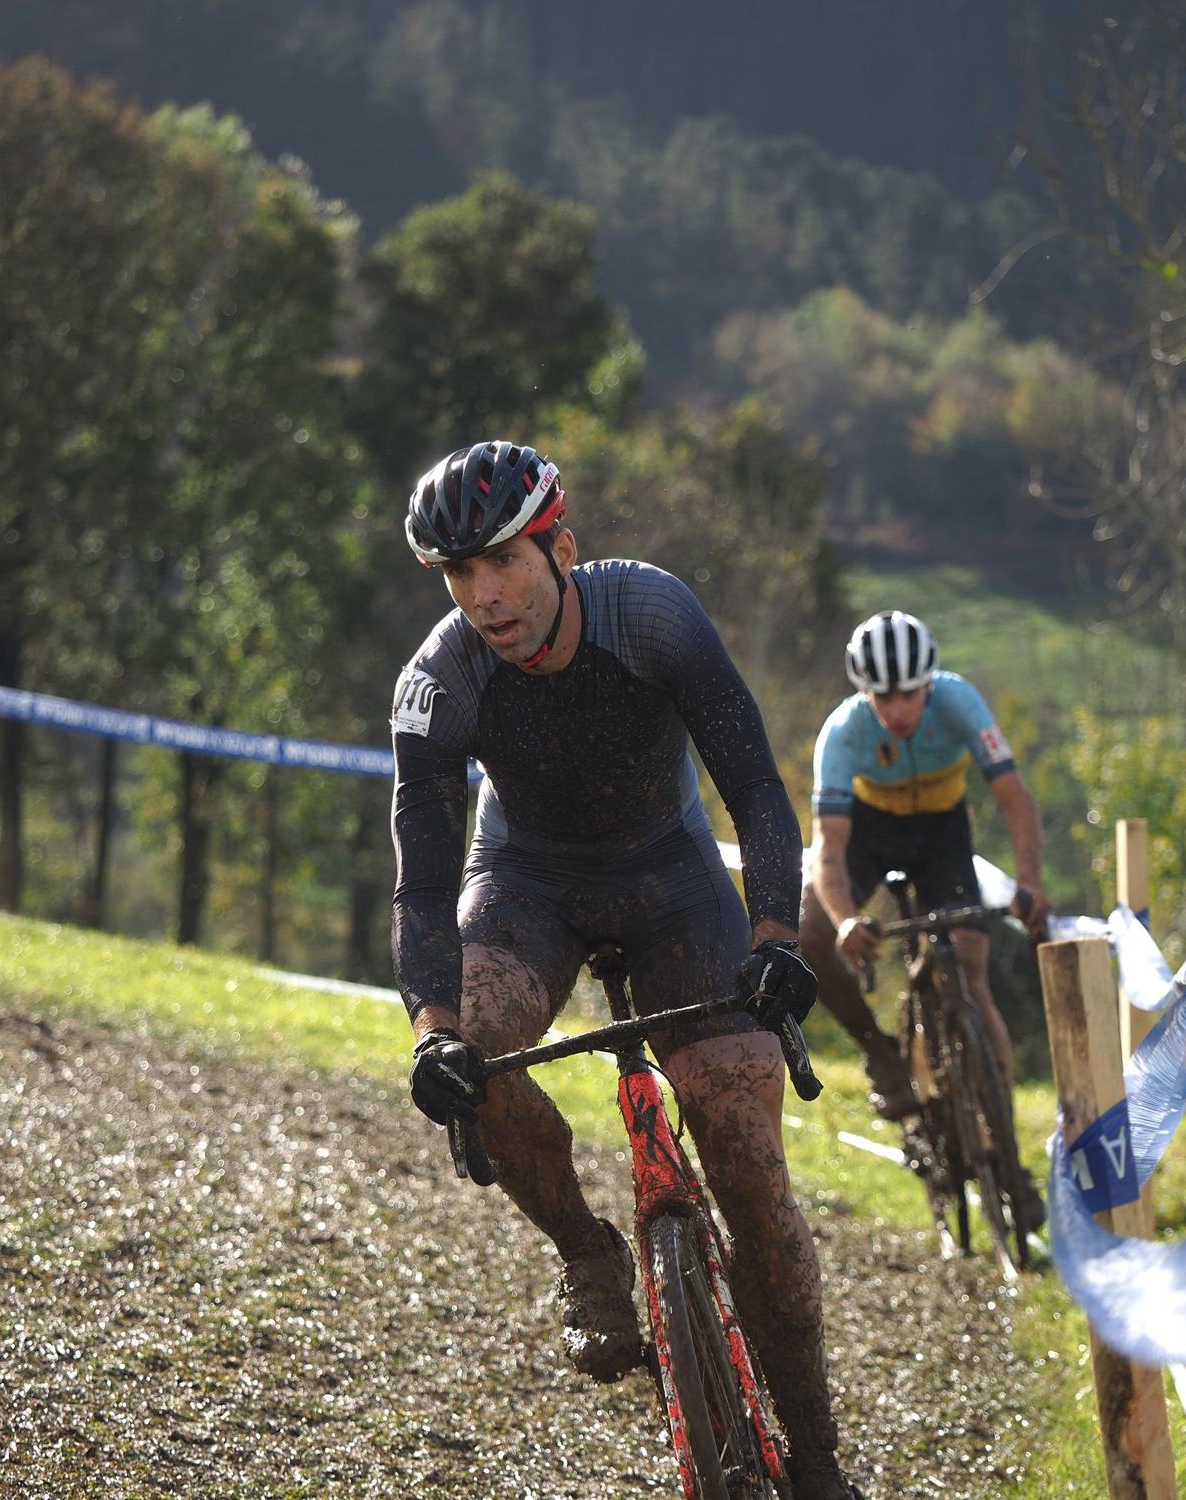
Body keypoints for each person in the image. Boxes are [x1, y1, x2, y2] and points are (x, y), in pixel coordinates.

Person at [390, 440, 858, 1498]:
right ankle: (585, 1251)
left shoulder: (650, 614)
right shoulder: (438, 681)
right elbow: (420, 889)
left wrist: (776, 940)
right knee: (476, 1057)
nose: (483, 595)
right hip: (526, 882)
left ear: (560, 550)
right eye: (459, 571)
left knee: (746, 1161)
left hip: (672, 879)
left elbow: (755, 790)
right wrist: (432, 1036)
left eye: (503, 561)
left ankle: (819, 1458)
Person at [798, 611, 1048, 1219]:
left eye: (909, 694)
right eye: (882, 696)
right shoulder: (843, 733)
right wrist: (847, 919)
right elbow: (828, 849)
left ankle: (1007, 1154)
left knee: (971, 976)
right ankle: (879, 1051)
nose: (897, 709)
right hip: (868, 832)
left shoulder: (960, 703)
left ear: (929, 683)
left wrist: (1032, 884)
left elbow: (1015, 799)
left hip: (942, 835)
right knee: (810, 930)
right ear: (864, 691)